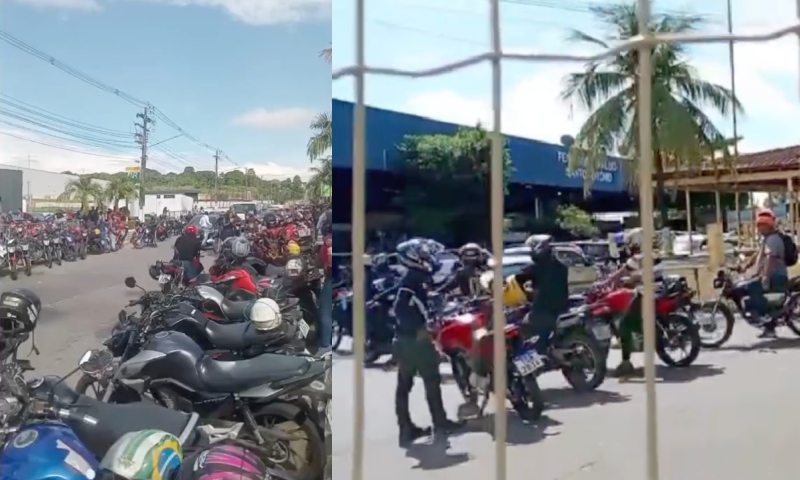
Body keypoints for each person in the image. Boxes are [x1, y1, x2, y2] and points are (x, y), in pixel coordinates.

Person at [393, 238, 463, 445]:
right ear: (413, 259)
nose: (427, 259)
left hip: (404, 341)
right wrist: (421, 331)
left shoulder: (414, 280)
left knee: (405, 385)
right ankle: (439, 423)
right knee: (431, 382)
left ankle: (406, 429)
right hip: (414, 341)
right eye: (423, 256)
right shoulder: (410, 283)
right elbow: (401, 309)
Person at [510, 235, 569, 359]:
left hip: (545, 308)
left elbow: (518, 278)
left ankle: (540, 353)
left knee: (525, 323)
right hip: (563, 305)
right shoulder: (561, 266)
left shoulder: (536, 268)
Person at [738, 209, 792, 338]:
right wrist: (744, 267)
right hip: (772, 275)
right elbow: (758, 255)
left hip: (776, 277)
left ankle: (766, 320)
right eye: (758, 225)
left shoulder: (773, 239)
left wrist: (766, 277)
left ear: (767, 225)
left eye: (761, 225)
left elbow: (770, 258)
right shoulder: (767, 239)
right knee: (746, 284)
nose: (759, 228)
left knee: (752, 286)